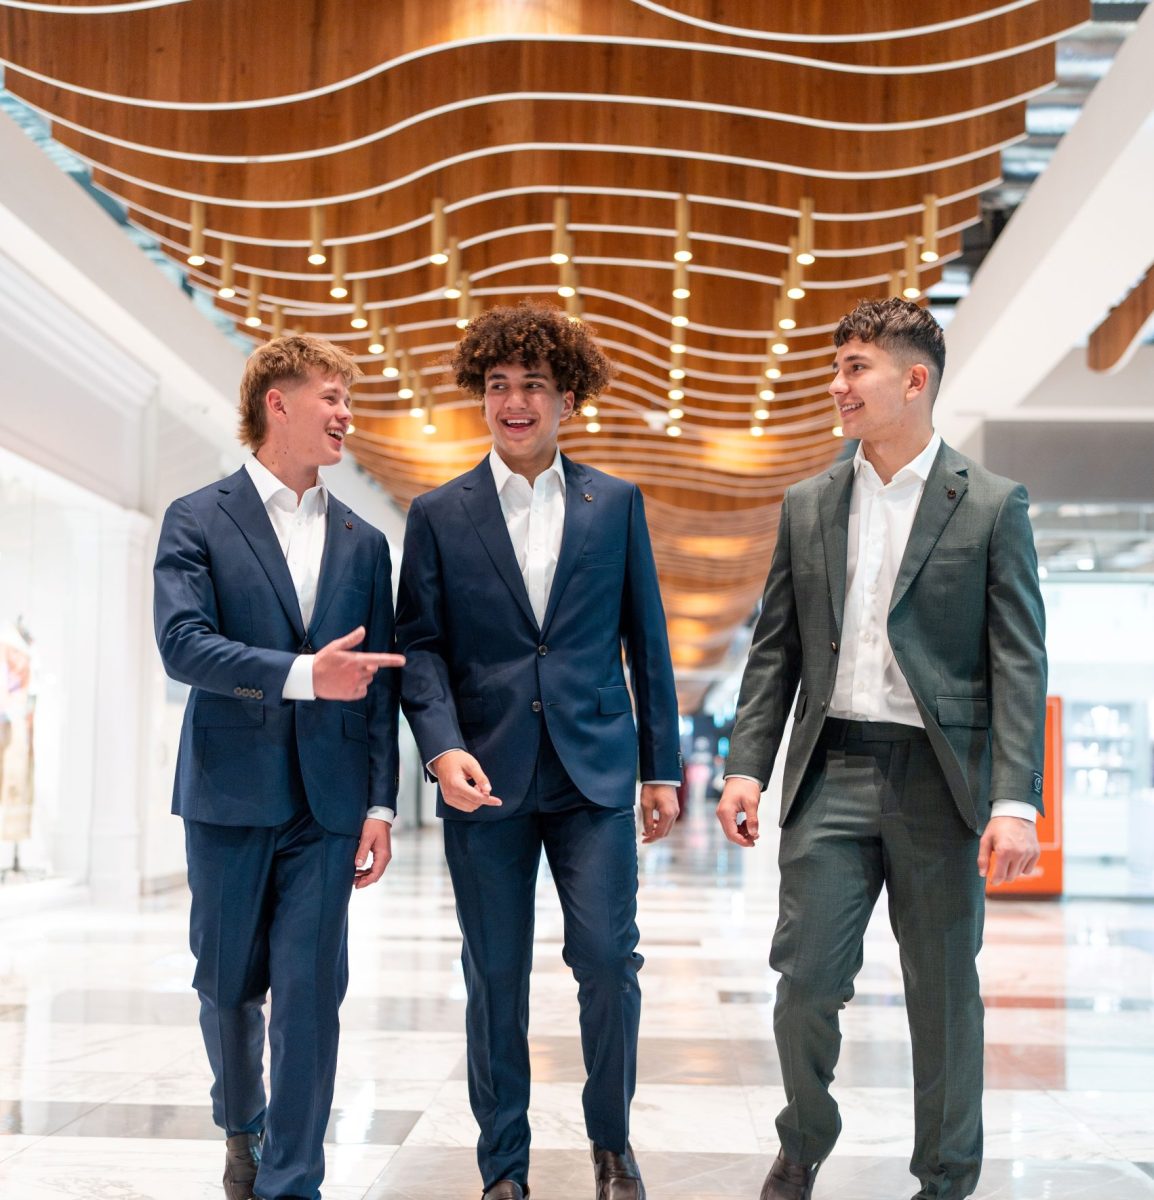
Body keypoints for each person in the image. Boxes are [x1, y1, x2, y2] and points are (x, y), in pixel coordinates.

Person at [717, 298, 1047, 1200]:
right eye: (837, 367)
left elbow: (1018, 660)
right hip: (832, 771)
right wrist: (746, 765)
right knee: (805, 981)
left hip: (941, 785)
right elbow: (775, 647)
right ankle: (803, 1137)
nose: (838, 384)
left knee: (944, 995)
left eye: (856, 366)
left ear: (914, 379)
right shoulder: (810, 502)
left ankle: (945, 1177)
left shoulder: (988, 505)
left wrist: (1015, 800)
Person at [396, 302, 682, 1200]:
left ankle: (611, 1143)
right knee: (494, 975)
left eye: (533, 387)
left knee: (606, 958)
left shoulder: (615, 504)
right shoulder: (440, 513)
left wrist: (661, 767)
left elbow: (649, 638)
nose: (513, 402)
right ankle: (503, 1169)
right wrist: (440, 751)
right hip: (484, 777)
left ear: (568, 400)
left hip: (594, 771)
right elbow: (422, 646)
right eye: (497, 386)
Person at [153, 334, 404, 1200]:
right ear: (277, 403)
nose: (346, 415)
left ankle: (292, 1181)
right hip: (228, 794)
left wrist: (381, 803)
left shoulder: (365, 543)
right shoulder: (196, 517)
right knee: (227, 987)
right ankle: (241, 1126)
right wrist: (302, 677)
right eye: (332, 396)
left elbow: (374, 688)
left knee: (308, 995)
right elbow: (182, 645)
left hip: (328, 808)